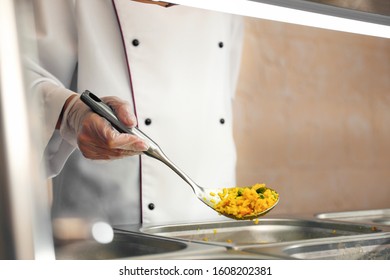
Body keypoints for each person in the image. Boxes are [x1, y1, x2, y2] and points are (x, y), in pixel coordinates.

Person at [26, 0, 243, 226]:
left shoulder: (233, 7)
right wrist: (70, 111)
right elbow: (18, 81)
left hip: (218, 218)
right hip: (106, 225)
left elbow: (223, 91)